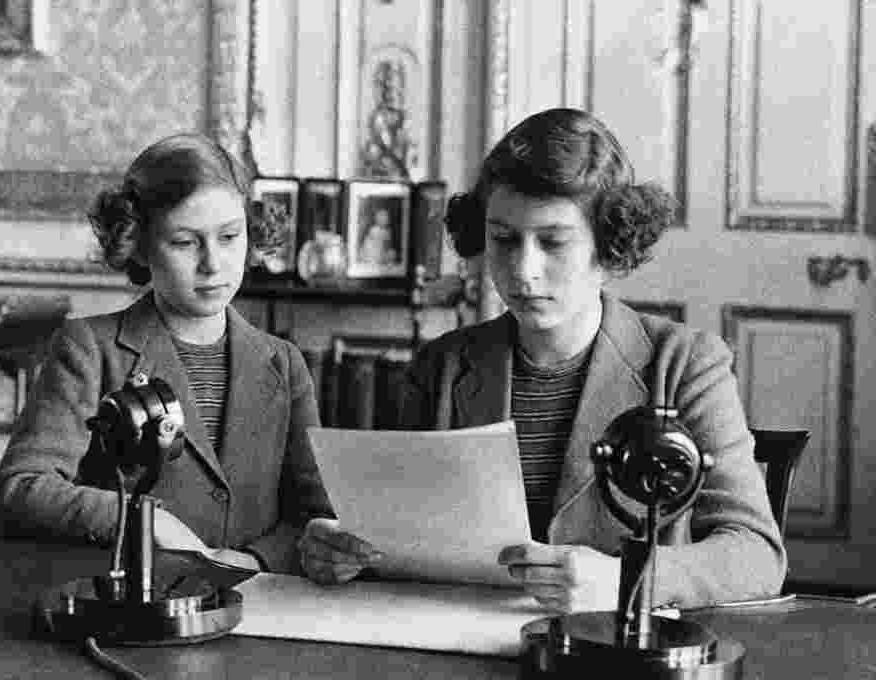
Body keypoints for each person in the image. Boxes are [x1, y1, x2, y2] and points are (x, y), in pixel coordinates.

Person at [298, 107, 785, 611]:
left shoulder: (686, 365)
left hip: (618, 658)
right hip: (460, 651)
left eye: (553, 242)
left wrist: (626, 578)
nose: (523, 270)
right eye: (504, 240)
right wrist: (339, 550)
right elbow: (399, 540)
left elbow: (756, 555)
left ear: (610, 246)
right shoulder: (440, 368)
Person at [0, 132, 332, 574]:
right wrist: (141, 521)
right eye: (185, 243)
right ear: (140, 244)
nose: (213, 263)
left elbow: (313, 516)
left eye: (229, 236)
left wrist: (252, 560)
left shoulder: (285, 364)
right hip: (128, 608)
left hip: (256, 608)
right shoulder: (89, 349)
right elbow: (21, 490)